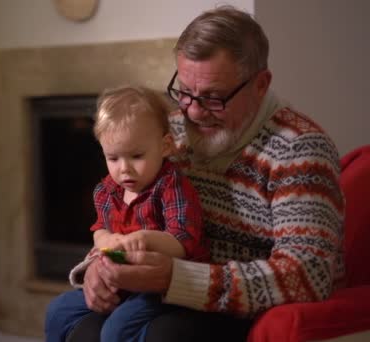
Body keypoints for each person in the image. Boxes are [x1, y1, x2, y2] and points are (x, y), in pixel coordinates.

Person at [45, 5, 344, 342]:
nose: (194, 112)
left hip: (238, 306)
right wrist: (100, 265)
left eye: (214, 98)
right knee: (78, 325)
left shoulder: (299, 150)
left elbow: (307, 275)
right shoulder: (170, 134)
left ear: (261, 84)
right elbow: (127, 214)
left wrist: (177, 279)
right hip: (156, 290)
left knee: (158, 335)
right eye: (185, 91)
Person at [45, 85, 208, 342]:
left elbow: (183, 241)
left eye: (136, 156)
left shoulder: (171, 185)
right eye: (113, 158)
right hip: (122, 281)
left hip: (162, 285)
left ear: (165, 146)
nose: (124, 170)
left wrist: (145, 239)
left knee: (117, 329)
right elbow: (99, 228)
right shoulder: (106, 191)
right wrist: (105, 241)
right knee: (58, 310)